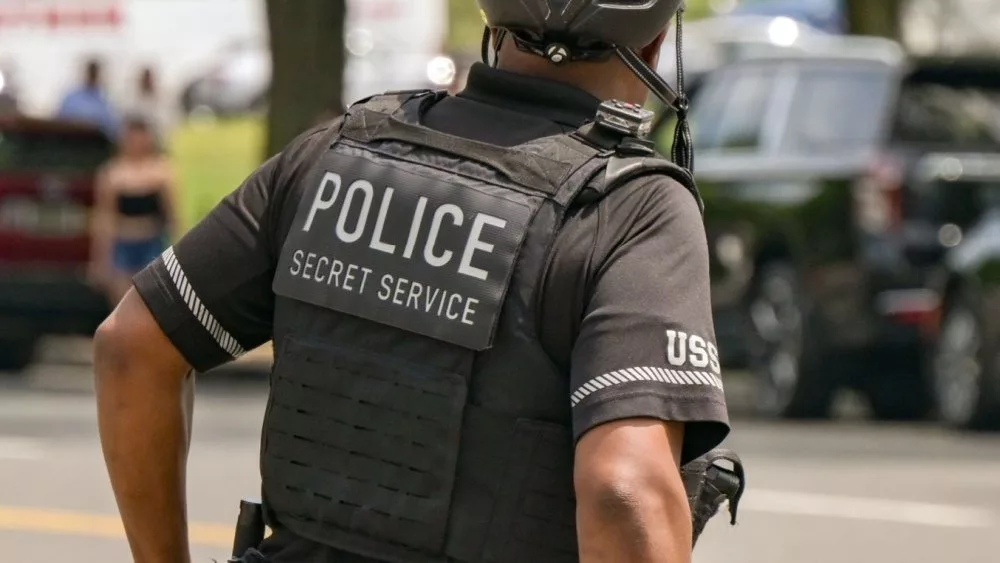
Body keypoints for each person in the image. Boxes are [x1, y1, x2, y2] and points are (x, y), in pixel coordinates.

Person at [94, 1, 737, 562]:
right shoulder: (630, 208)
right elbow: (624, 491)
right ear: (656, 40)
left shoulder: (335, 153)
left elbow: (131, 347)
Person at [88, 115, 178, 306]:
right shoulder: (112, 173)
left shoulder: (161, 170)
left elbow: (172, 214)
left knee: (152, 305)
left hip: (152, 244)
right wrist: (100, 259)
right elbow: (105, 218)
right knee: (122, 305)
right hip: (123, 245)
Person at [56, 58, 120, 138]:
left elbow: (112, 129)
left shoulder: (105, 102)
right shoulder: (71, 98)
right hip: (71, 140)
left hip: (94, 144)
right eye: (90, 72)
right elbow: (59, 121)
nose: (92, 76)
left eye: (95, 73)